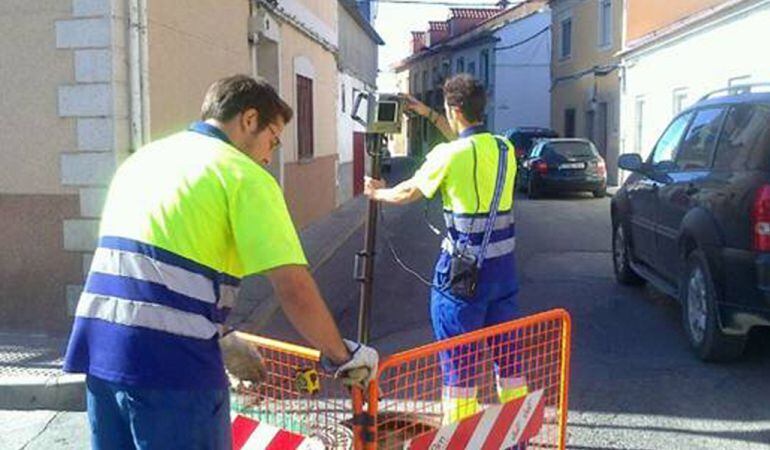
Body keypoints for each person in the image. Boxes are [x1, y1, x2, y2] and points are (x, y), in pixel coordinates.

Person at [63, 74, 378, 449]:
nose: (268, 154)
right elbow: (293, 288)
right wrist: (342, 356)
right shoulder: (243, 175)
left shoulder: (144, 160)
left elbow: (149, 267)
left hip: (101, 354)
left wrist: (223, 337)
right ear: (249, 120)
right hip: (175, 369)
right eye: (272, 139)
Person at [364, 74, 525, 424]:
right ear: (482, 106)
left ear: (453, 109)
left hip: (461, 278)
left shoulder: (447, 155)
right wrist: (428, 114)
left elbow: (408, 192)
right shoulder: (504, 149)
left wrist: (377, 193)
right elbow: (468, 143)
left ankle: (461, 438)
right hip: (504, 274)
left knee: (459, 366)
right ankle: (517, 438)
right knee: (509, 359)